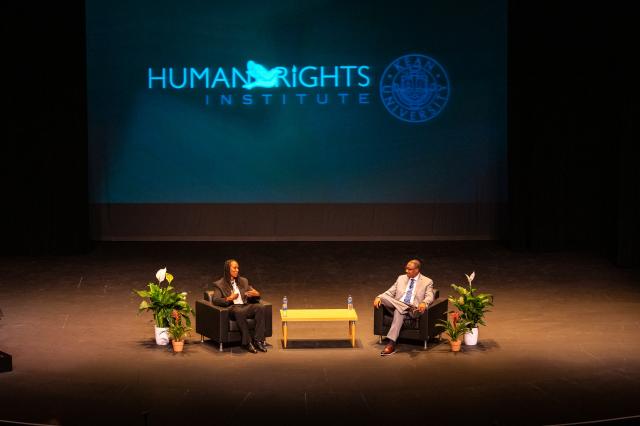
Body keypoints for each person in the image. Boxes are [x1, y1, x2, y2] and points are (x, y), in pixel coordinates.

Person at [373, 259, 434, 356]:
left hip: (413, 309)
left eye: (409, 269)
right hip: (400, 305)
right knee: (383, 297)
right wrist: (379, 297)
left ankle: (391, 344)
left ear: (417, 270)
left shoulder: (427, 281)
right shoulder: (401, 278)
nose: (406, 271)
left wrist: (424, 303)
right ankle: (406, 308)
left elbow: (430, 296)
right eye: (406, 268)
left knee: (398, 311)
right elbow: (390, 292)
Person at [211, 259, 268, 353]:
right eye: (234, 268)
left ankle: (258, 341)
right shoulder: (219, 284)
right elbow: (215, 300)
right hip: (233, 308)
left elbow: (252, 292)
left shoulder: (243, 281)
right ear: (227, 269)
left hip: (245, 306)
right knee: (239, 311)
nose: (237, 270)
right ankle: (248, 342)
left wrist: (257, 294)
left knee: (260, 307)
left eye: (238, 268)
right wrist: (229, 298)